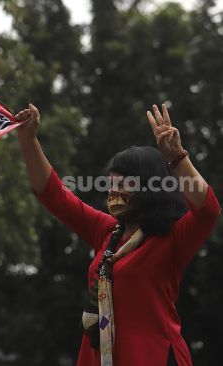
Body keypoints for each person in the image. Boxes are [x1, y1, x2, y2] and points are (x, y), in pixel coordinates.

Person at [14, 102, 220, 365]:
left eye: (123, 184)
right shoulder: (107, 230)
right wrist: (27, 139)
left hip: (153, 357)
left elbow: (208, 210)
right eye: (111, 184)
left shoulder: (173, 238)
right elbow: (54, 195)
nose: (113, 192)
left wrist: (177, 157)